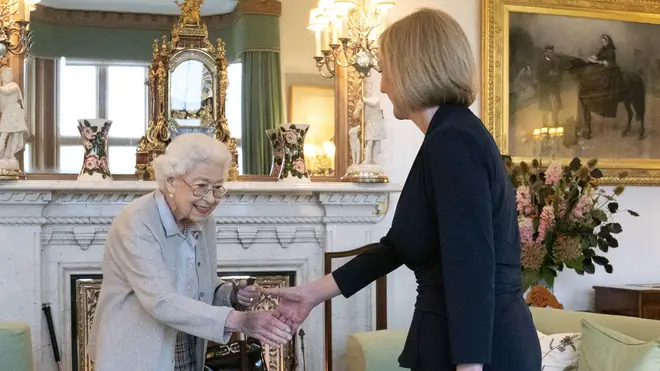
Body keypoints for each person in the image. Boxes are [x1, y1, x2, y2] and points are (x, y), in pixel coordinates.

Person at [264, 8, 542, 371]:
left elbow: (471, 262)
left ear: (414, 68)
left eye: (386, 70)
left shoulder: (453, 139)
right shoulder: (448, 135)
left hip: (483, 352)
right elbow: (398, 246)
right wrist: (310, 294)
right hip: (454, 341)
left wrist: (470, 366)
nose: (382, 85)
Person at [87, 133, 292, 371]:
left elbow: (201, 286)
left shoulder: (204, 222)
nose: (210, 198)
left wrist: (232, 295)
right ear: (171, 181)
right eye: (201, 186)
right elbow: (161, 300)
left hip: (188, 346)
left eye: (217, 187)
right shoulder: (136, 222)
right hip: (138, 353)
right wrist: (240, 321)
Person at [536, 45, 563, 127]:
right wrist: (548, 75)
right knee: (545, 110)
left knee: (555, 109)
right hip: (545, 89)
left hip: (554, 89)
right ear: (545, 53)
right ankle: (545, 127)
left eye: (551, 52)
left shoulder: (556, 62)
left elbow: (560, 76)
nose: (550, 54)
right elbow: (538, 77)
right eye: (548, 52)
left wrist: (558, 76)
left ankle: (556, 125)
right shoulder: (541, 63)